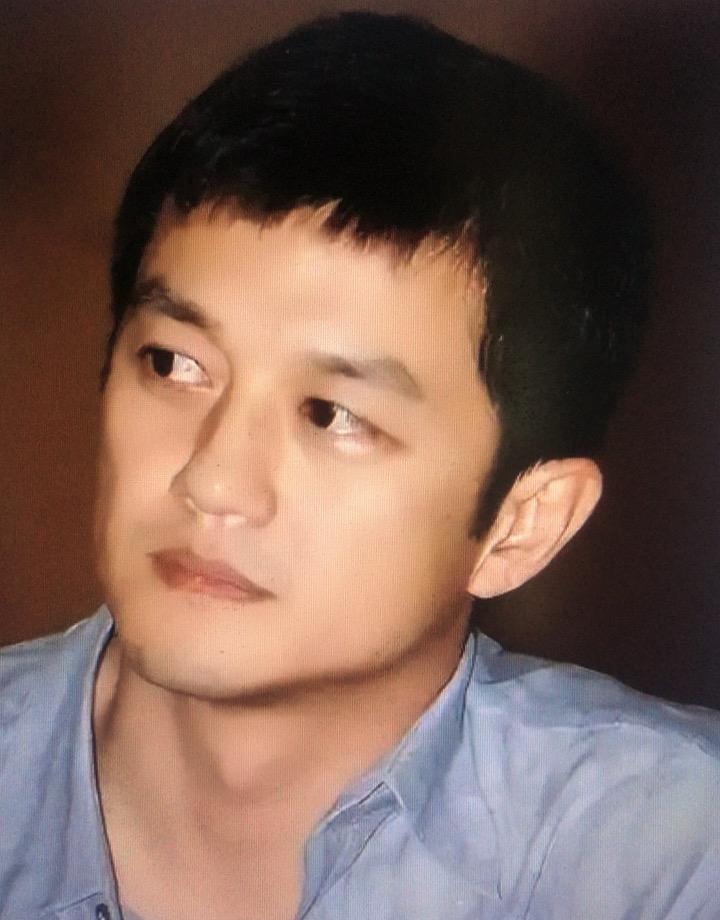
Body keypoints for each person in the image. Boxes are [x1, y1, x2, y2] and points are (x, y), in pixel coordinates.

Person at [1, 11, 718, 920]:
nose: (212, 482)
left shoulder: (669, 857)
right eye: (174, 364)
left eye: (331, 415)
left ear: (520, 526)